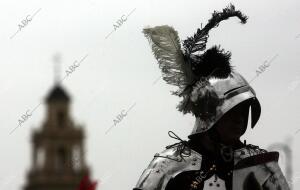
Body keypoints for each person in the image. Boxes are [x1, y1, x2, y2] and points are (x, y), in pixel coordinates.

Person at [133, 4, 290, 190]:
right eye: (232, 111)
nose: (240, 119)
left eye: (243, 111)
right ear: (208, 115)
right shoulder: (168, 166)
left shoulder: (261, 167)